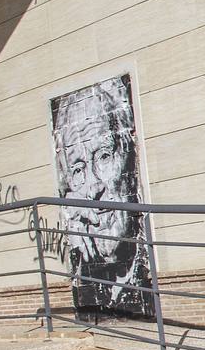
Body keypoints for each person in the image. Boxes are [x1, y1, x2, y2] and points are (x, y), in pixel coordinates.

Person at [51, 79, 153, 319]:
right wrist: (77, 257)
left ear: (129, 158)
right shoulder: (81, 266)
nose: (93, 187)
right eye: (78, 170)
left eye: (104, 156)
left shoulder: (147, 257)